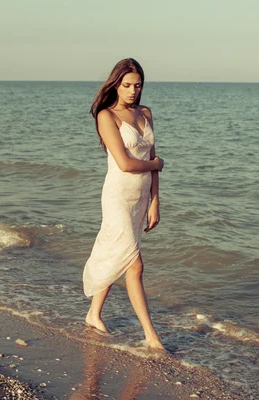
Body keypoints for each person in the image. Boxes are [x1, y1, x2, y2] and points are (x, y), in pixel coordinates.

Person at [83, 58, 165, 350]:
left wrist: (155, 201)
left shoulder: (146, 113)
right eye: (127, 85)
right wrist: (157, 163)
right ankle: (151, 335)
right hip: (118, 196)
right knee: (134, 264)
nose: (132, 90)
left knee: (116, 252)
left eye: (138, 85)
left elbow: (152, 161)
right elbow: (126, 163)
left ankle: (93, 313)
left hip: (140, 197)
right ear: (115, 84)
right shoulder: (107, 116)